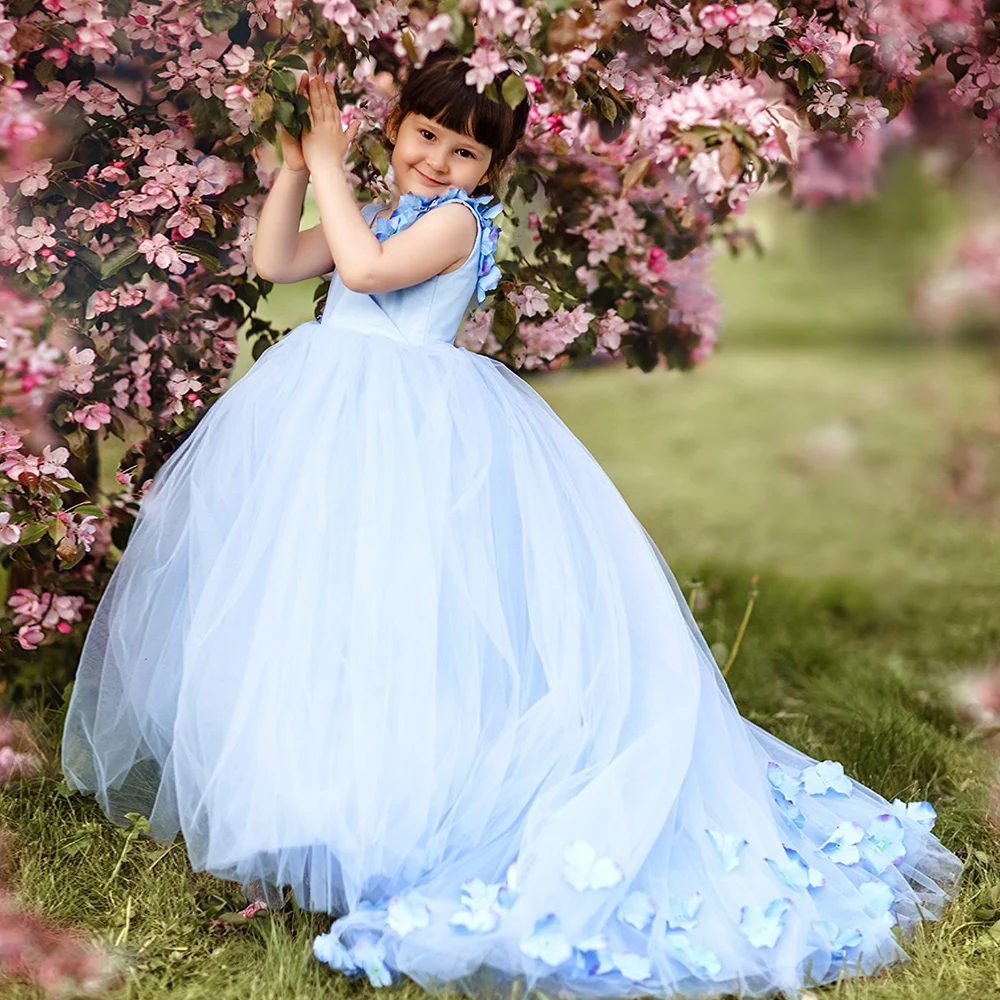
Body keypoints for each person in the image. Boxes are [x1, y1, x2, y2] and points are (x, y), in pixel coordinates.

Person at [62, 47, 962, 999]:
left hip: (405, 448)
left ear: (491, 171)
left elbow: (363, 275)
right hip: (330, 436)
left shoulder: (450, 224)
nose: (439, 161)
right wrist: (295, 167)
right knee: (319, 616)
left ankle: (400, 811)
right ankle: (311, 802)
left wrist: (331, 161)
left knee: (403, 622)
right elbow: (276, 260)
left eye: (463, 151)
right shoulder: (390, 208)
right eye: (425, 136)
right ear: (398, 129)